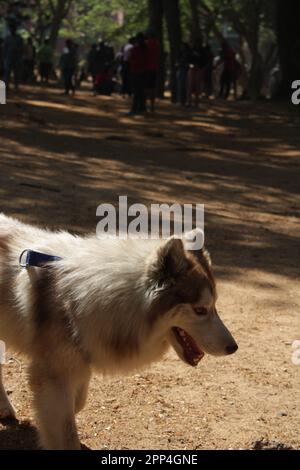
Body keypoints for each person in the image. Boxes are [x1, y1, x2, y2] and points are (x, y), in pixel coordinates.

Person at [128, 33, 147, 115]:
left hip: (135, 71)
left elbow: (129, 58)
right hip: (144, 72)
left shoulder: (135, 49)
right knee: (142, 91)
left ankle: (134, 108)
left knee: (136, 91)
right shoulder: (146, 49)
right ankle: (142, 108)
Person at [3, 23, 24, 91]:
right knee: (7, 72)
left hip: (17, 58)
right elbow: (4, 49)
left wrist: (18, 50)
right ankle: (6, 86)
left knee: (16, 72)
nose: (12, 30)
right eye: (11, 29)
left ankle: (16, 86)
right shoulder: (7, 38)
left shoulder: (19, 38)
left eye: (13, 29)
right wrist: (4, 57)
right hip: (8, 58)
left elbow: (22, 48)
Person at [187, 37, 206, 107]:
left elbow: (204, 61)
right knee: (190, 86)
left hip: (199, 69)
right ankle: (189, 102)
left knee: (197, 87)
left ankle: (196, 103)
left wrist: (200, 67)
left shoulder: (203, 51)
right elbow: (188, 59)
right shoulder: (192, 50)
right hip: (192, 69)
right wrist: (191, 65)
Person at [145, 31, 160, 112]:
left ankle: (145, 105)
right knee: (153, 88)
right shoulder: (157, 44)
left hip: (146, 68)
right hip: (154, 68)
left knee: (146, 88)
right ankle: (152, 106)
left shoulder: (147, 44)